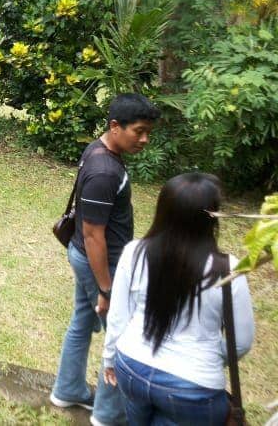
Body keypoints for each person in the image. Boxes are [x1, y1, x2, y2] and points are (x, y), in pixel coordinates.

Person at [102, 173, 255, 425]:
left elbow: (118, 315)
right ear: (212, 217)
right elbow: (241, 342)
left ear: (163, 210)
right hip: (193, 390)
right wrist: (205, 356)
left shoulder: (134, 252)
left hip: (130, 367)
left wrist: (109, 359)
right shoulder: (229, 269)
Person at [51, 93, 160, 426]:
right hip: (99, 263)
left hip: (88, 258)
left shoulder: (101, 151)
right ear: (115, 126)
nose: (144, 139)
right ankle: (108, 413)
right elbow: (93, 235)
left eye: (147, 132)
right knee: (121, 335)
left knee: (82, 321)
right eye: (138, 131)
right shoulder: (104, 172)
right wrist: (107, 289)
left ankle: (67, 389)